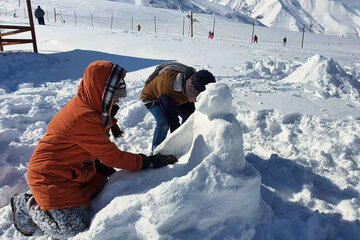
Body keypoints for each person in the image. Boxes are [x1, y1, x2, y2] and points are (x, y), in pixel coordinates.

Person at [10, 61, 177, 239]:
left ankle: (48, 201)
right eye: (116, 93)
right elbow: (112, 156)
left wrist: (96, 163)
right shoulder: (84, 117)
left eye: (122, 92)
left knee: (99, 189)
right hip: (50, 176)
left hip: (71, 169)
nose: (119, 99)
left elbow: (87, 147)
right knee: (72, 231)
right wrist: (147, 161)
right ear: (101, 91)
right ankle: (28, 203)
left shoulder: (90, 108)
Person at [141, 62, 216, 152]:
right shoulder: (167, 90)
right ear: (191, 94)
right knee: (163, 123)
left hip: (178, 95)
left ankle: (188, 143)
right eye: (196, 99)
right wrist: (177, 145)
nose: (197, 102)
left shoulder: (193, 81)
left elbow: (190, 115)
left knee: (189, 116)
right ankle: (157, 150)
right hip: (152, 98)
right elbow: (173, 121)